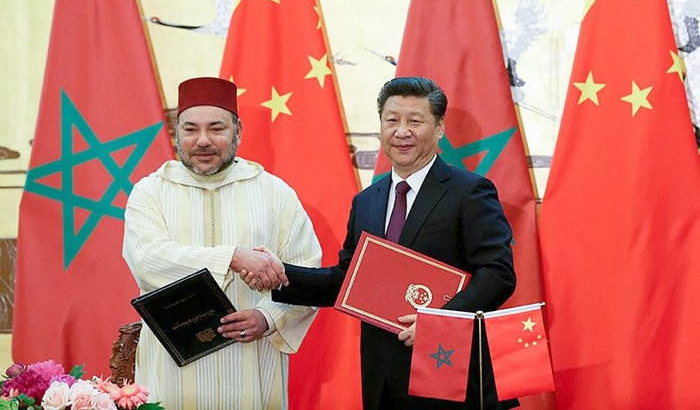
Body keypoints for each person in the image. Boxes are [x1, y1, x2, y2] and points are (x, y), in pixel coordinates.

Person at [242, 76, 517, 409]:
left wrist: (440, 322)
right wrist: (280, 274)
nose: (402, 132)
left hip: (449, 368)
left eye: (415, 121)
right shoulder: (367, 201)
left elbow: (498, 273)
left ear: (439, 128)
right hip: (382, 376)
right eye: (392, 120)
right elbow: (347, 280)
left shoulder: (470, 191)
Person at [122, 76, 321, 410]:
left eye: (216, 129)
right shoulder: (150, 192)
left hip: (253, 366)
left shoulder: (275, 194)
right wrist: (233, 257)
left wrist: (268, 318)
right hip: (172, 376)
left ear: (237, 131)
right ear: (176, 132)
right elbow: (147, 261)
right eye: (190, 129)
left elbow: (308, 275)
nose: (203, 141)